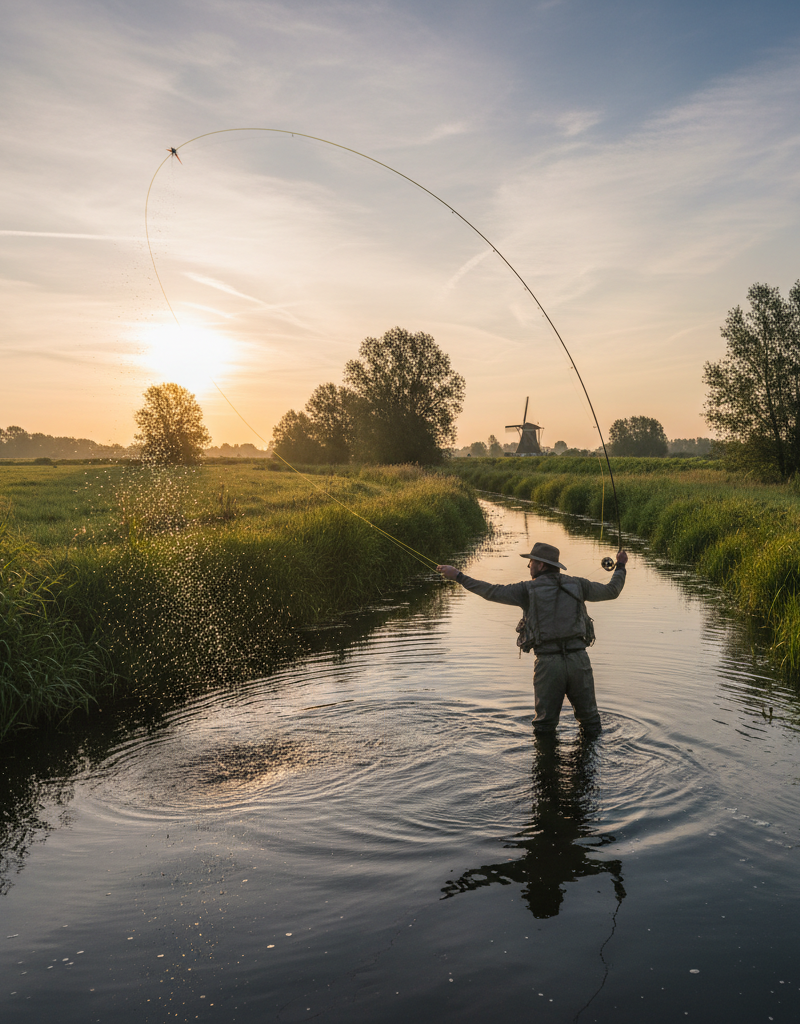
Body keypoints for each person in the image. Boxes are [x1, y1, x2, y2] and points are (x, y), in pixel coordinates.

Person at [437, 541, 627, 736]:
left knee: (545, 727)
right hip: (579, 661)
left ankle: (547, 765)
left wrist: (459, 576)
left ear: (541, 565)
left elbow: (491, 591)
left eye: (531, 562)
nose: (529, 566)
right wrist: (620, 566)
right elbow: (612, 591)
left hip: (548, 663)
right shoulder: (579, 585)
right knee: (591, 723)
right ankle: (590, 764)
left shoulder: (526, 590)